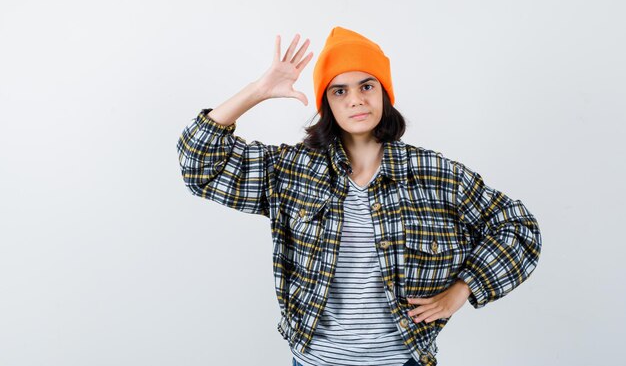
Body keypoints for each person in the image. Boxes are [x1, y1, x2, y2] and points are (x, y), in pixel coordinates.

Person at [176, 27, 542, 366]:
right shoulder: (295, 170)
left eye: (366, 86)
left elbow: (518, 228)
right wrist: (258, 90)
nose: (355, 100)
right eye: (340, 91)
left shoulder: (434, 173)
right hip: (315, 360)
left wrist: (464, 289)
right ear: (327, 104)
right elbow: (199, 165)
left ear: (383, 92)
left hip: (403, 360)